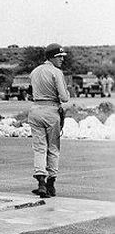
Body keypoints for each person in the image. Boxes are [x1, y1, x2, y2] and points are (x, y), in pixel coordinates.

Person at [28, 43, 70, 198]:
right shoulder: (56, 72)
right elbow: (64, 98)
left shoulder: (34, 71)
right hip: (51, 110)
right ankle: (51, 184)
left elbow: (31, 91)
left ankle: (40, 182)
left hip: (35, 110)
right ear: (52, 57)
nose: (61, 60)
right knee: (53, 148)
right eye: (59, 57)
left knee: (39, 147)